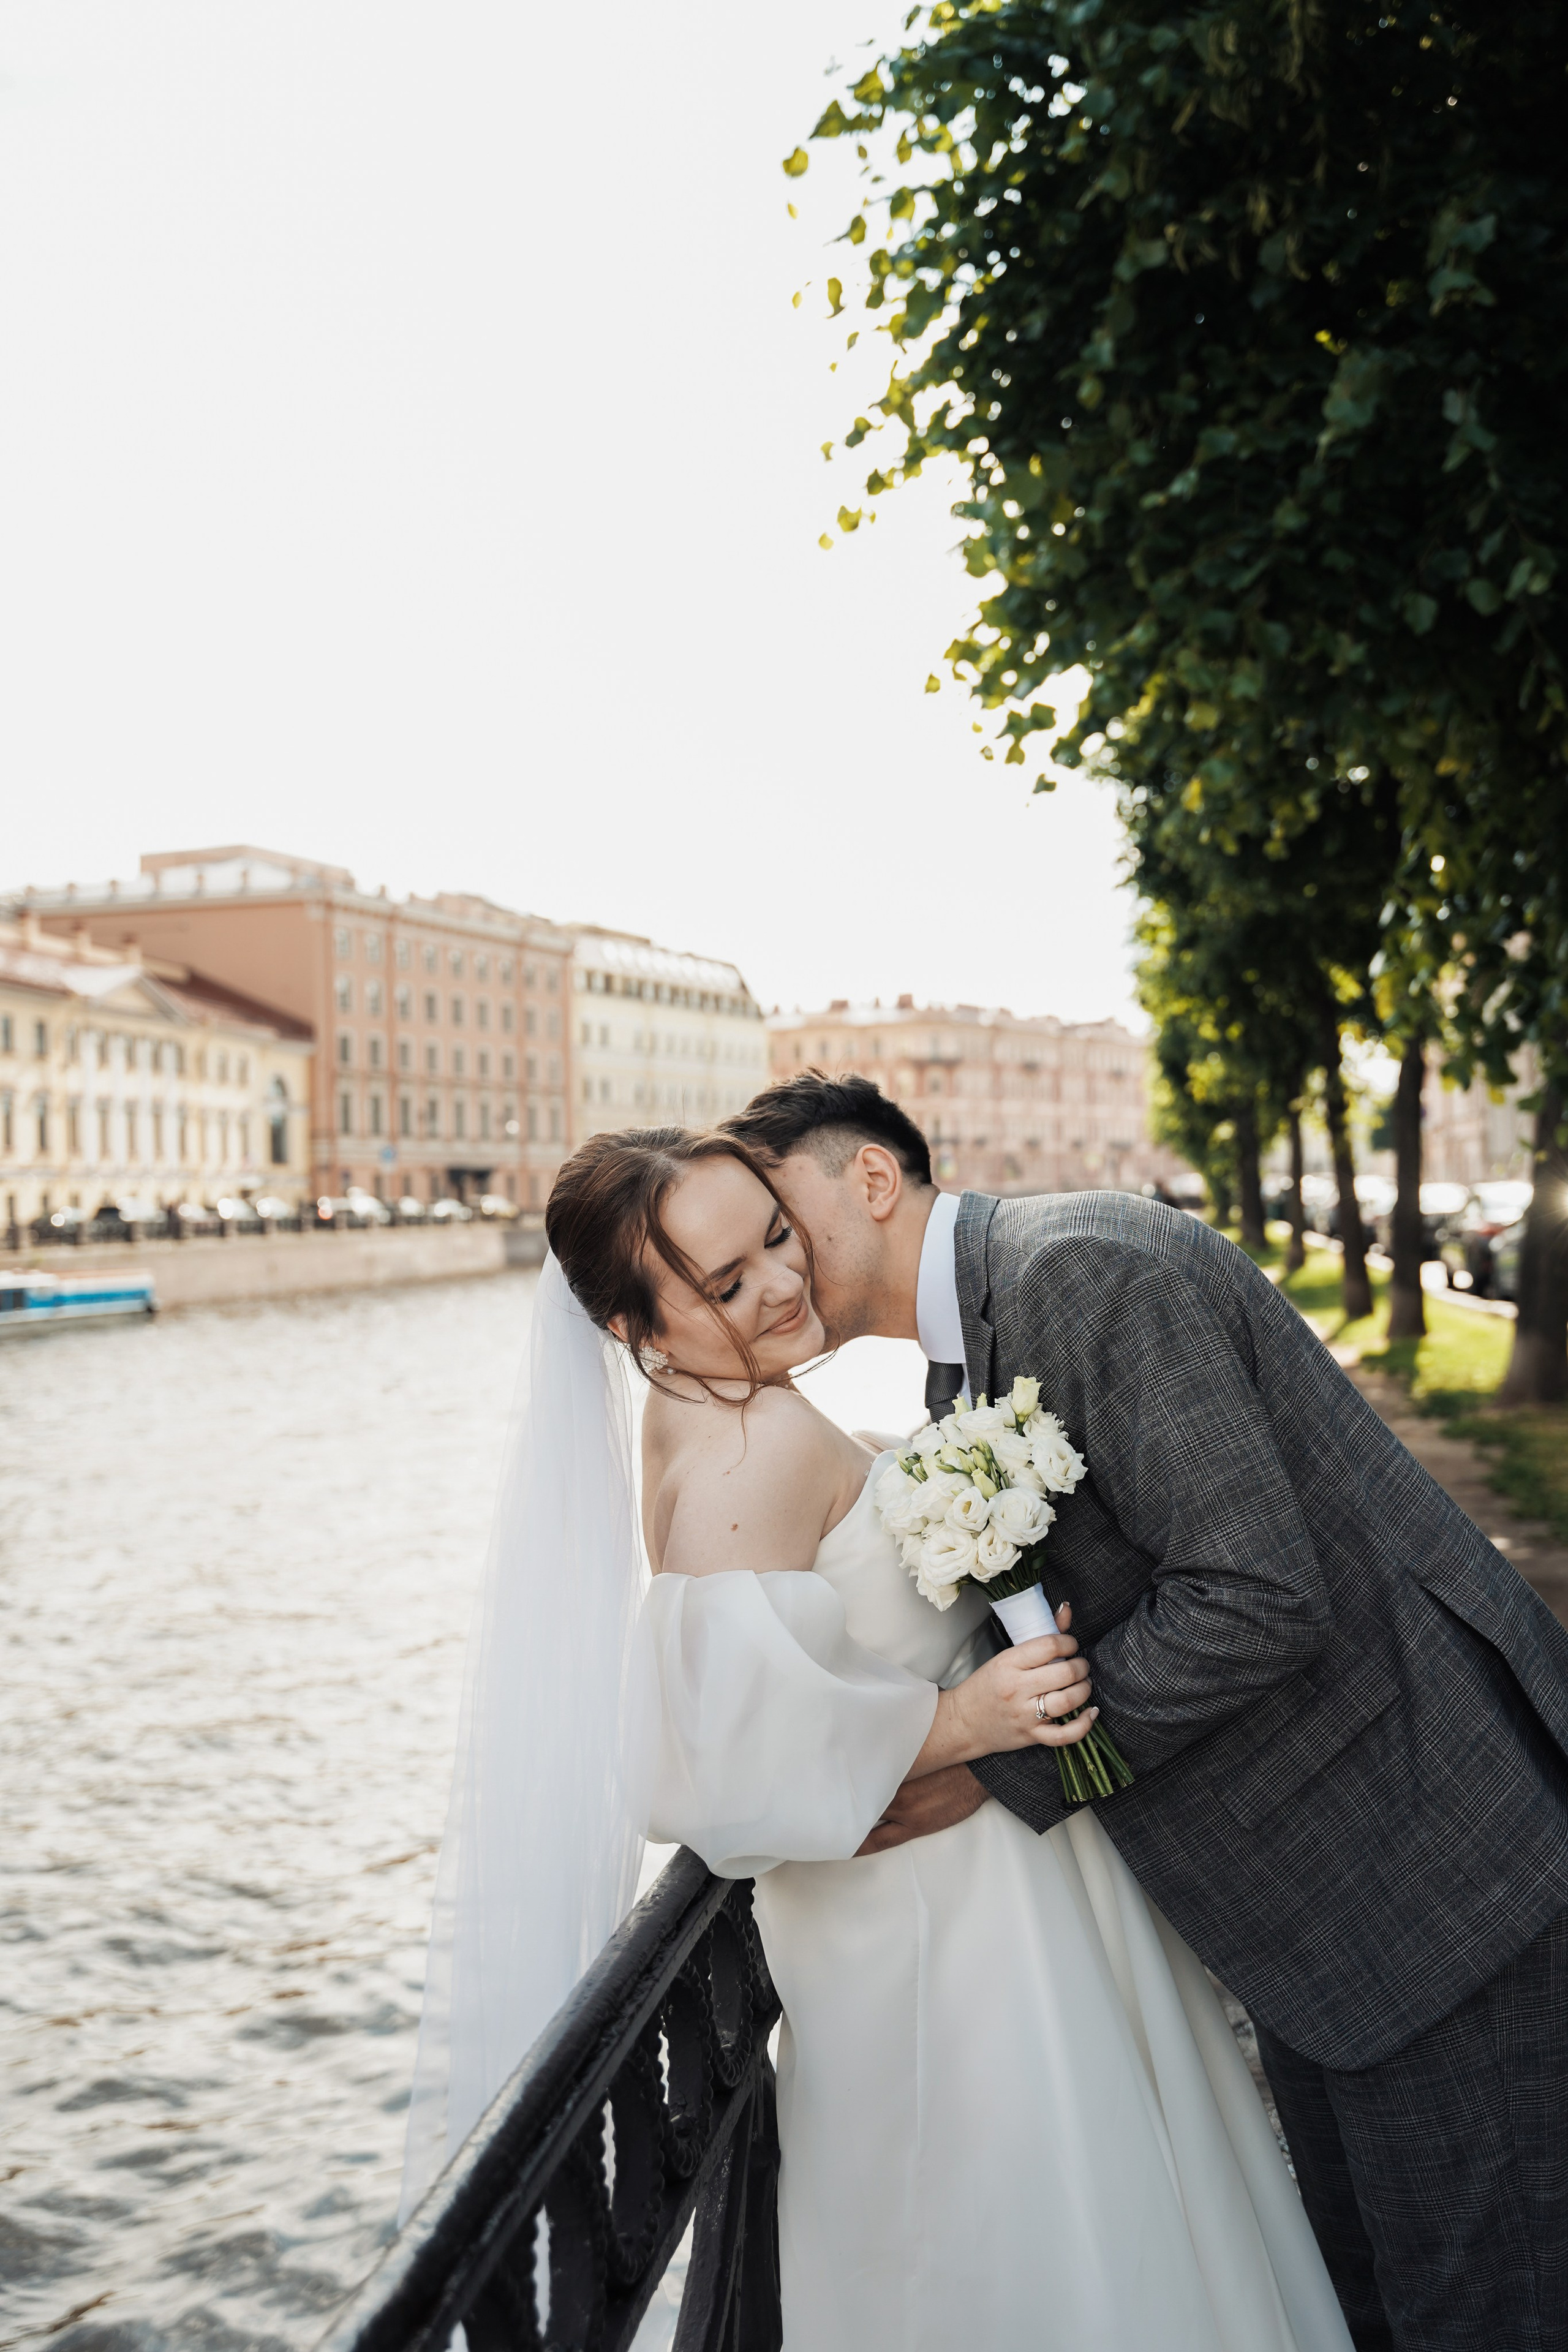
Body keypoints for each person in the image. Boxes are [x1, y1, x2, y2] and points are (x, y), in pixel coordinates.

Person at [720, 1072, 1568, 2352]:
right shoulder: (974, 1358)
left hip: (1424, 1879)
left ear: (874, 1181)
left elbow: (1250, 1596)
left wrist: (998, 1766)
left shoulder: (1077, 1275)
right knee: (1383, 2310)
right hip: (1323, 1912)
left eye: (778, 1227)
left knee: (1475, 2313)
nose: (773, 1273)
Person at [535, 1126, 1352, 2352]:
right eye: (724, 1282)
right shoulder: (741, 1456)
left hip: (960, 1888)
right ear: (635, 1329)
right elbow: (719, 1764)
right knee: (1028, 2235)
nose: (779, 1280)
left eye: (772, 1237)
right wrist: (964, 1717)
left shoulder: (713, 1412)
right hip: (939, 1923)